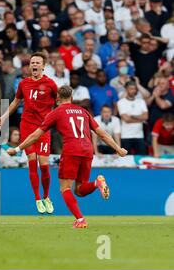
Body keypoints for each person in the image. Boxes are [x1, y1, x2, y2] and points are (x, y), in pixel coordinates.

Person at [7, 86, 128, 228]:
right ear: (71, 98)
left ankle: (80, 220)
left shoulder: (56, 112)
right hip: (88, 150)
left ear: (57, 98)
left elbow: (35, 135)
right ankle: (97, 183)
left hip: (71, 150)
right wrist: (118, 149)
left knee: (65, 188)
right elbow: (101, 133)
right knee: (80, 190)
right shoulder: (84, 112)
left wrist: (17, 148)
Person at [0, 52, 58, 214]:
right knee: (31, 160)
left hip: (44, 128)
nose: (34, 65)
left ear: (43, 66)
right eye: (32, 62)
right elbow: (16, 102)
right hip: (27, 125)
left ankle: (47, 196)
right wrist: (3, 116)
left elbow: (59, 102)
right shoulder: (24, 84)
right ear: (30, 66)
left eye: (37, 62)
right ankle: (37, 198)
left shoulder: (51, 84)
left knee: (44, 166)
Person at [118, 81, 149, 155]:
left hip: (139, 135)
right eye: (131, 88)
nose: (134, 90)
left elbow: (146, 117)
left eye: (135, 89)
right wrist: (140, 118)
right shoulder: (121, 102)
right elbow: (126, 119)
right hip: (126, 136)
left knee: (141, 159)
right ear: (126, 89)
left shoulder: (141, 101)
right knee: (125, 159)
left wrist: (133, 116)